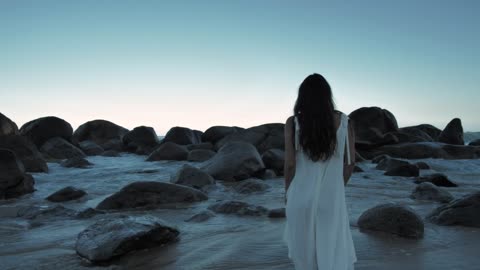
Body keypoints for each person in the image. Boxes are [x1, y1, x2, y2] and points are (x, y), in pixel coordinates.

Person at [283, 73, 357, 270]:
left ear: (302, 96)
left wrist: (287, 192)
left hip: (300, 197)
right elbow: (350, 163)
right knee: (331, 252)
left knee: (304, 256)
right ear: (327, 96)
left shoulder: (293, 123)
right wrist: (337, 188)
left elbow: (290, 164)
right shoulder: (344, 121)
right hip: (331, 199)